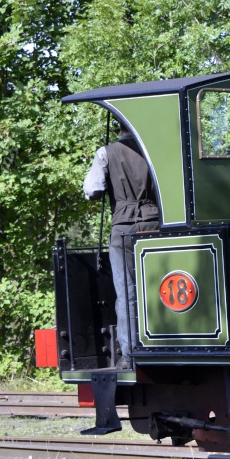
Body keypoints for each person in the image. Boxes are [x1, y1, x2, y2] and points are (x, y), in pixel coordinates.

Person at [83, 126, 160, 369]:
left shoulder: (106, 153)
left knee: (126, 292)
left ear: (119, 128)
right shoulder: (153, 151)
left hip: (123, 228)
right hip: (156, 225)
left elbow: (91, 190)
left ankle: (130, 353)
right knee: (159, 286)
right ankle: (164, 341)